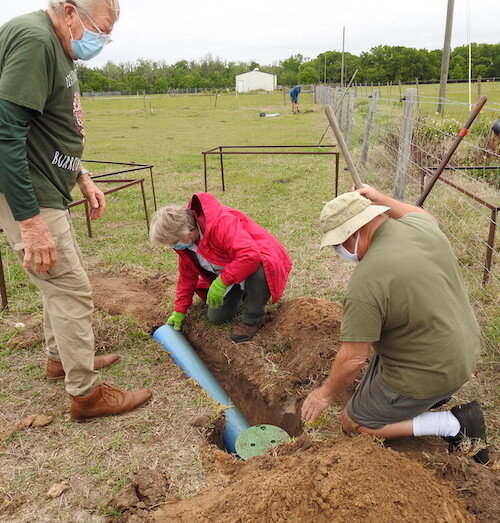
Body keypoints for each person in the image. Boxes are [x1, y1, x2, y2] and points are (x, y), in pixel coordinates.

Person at [0, 0, 152, 420]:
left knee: (58, 283)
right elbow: (6, 132)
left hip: (47, 183)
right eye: (99, 29)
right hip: (28, 192)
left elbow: (50, 124)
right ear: (69, 12)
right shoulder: (35, 41)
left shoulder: (56, 44)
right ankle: (85, 394)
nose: (101, 40)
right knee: (70, 289)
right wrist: (30, 222)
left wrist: (80, 174)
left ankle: (60, 359)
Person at [301, 185, 489, 464]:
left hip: (434, 370)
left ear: (353, 233)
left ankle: (453, 424)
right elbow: (417, 212)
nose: (339, 252)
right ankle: (428, 398)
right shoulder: (422, 228)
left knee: (354, 423)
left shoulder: (366, 282)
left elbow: (353, 359)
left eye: (337, 244)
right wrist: (380, 198)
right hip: (465, 351)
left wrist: (324, 394)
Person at [149, 192, 292, 342]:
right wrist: (179, 310)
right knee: (216, 317)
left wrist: (222, 282)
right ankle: (244, 291)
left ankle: (253, 318)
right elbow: (187, 277)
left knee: (259, 268)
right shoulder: (185, 245)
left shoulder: (220, 223)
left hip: (259, 255)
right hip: (229, 269)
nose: (172, 246)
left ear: (188, 232)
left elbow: (250, 255)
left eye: (173, 242)